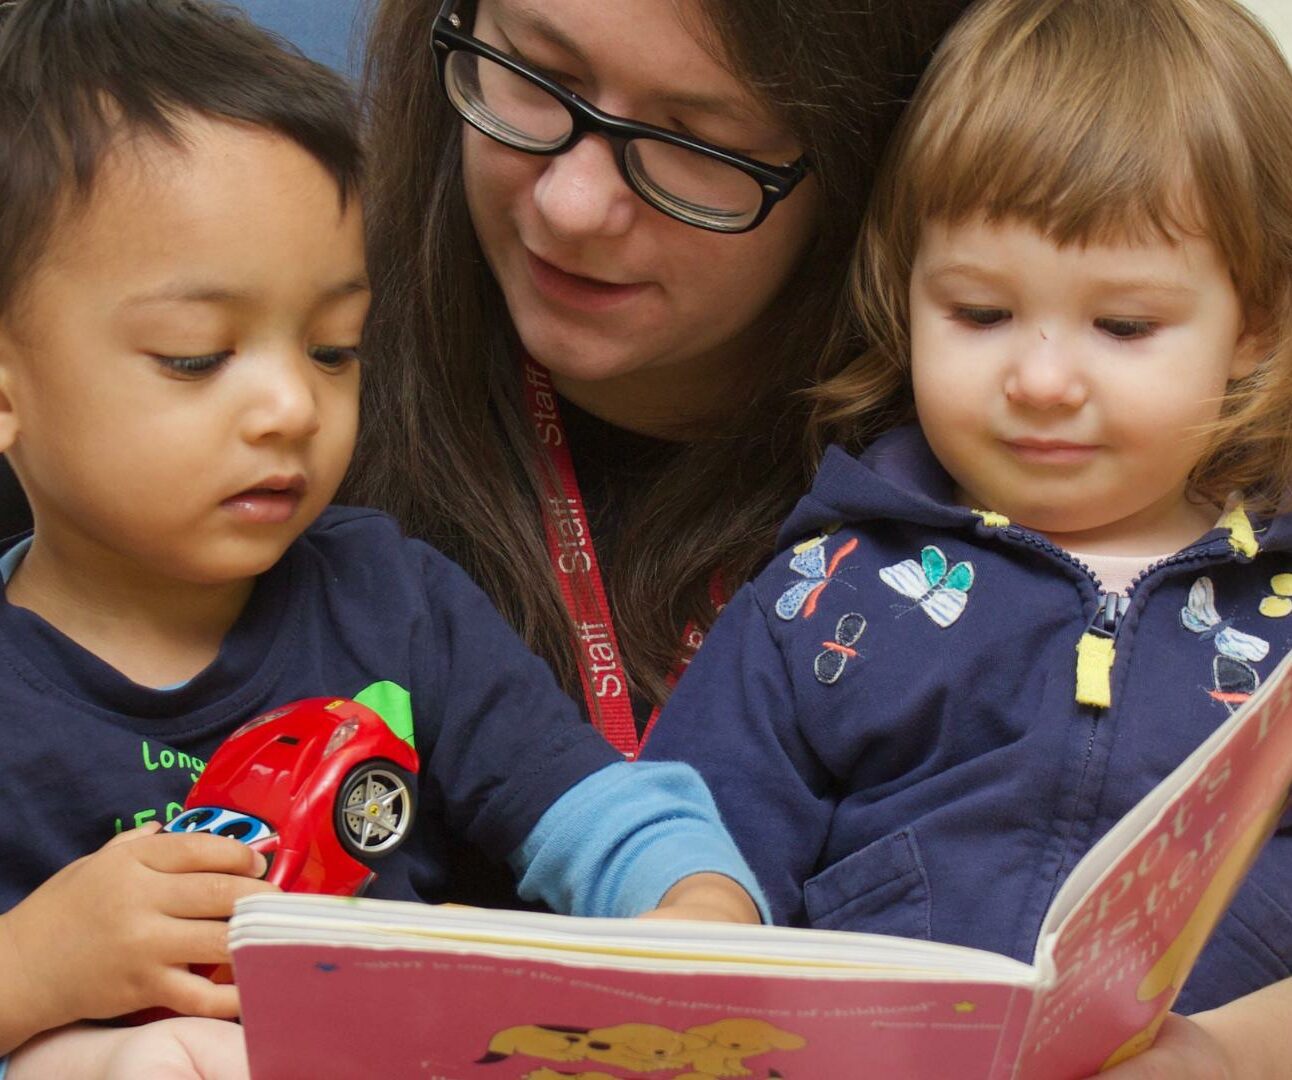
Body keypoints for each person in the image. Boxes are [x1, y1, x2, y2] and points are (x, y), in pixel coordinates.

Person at [0, 1, 764, 1076]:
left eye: (332, 349)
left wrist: (694, 902)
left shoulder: (392, 599)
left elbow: (598, 812)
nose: (288, 409)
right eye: (194, 356)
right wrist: (30, 966)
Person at [641, 0, 1292, 1075]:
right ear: (907, 298)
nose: (1039, 381)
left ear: (1253, 323)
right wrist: (696, 914)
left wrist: (1219, 1055)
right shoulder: (823, 591)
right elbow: (687, 847)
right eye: (979, 314)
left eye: (1122, 326)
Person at [346, 0, 975, 757]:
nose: (572, 206)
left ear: (874, 172)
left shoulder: (1031, 478)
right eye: (537, 72)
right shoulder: (274, 401)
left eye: (696, 141)